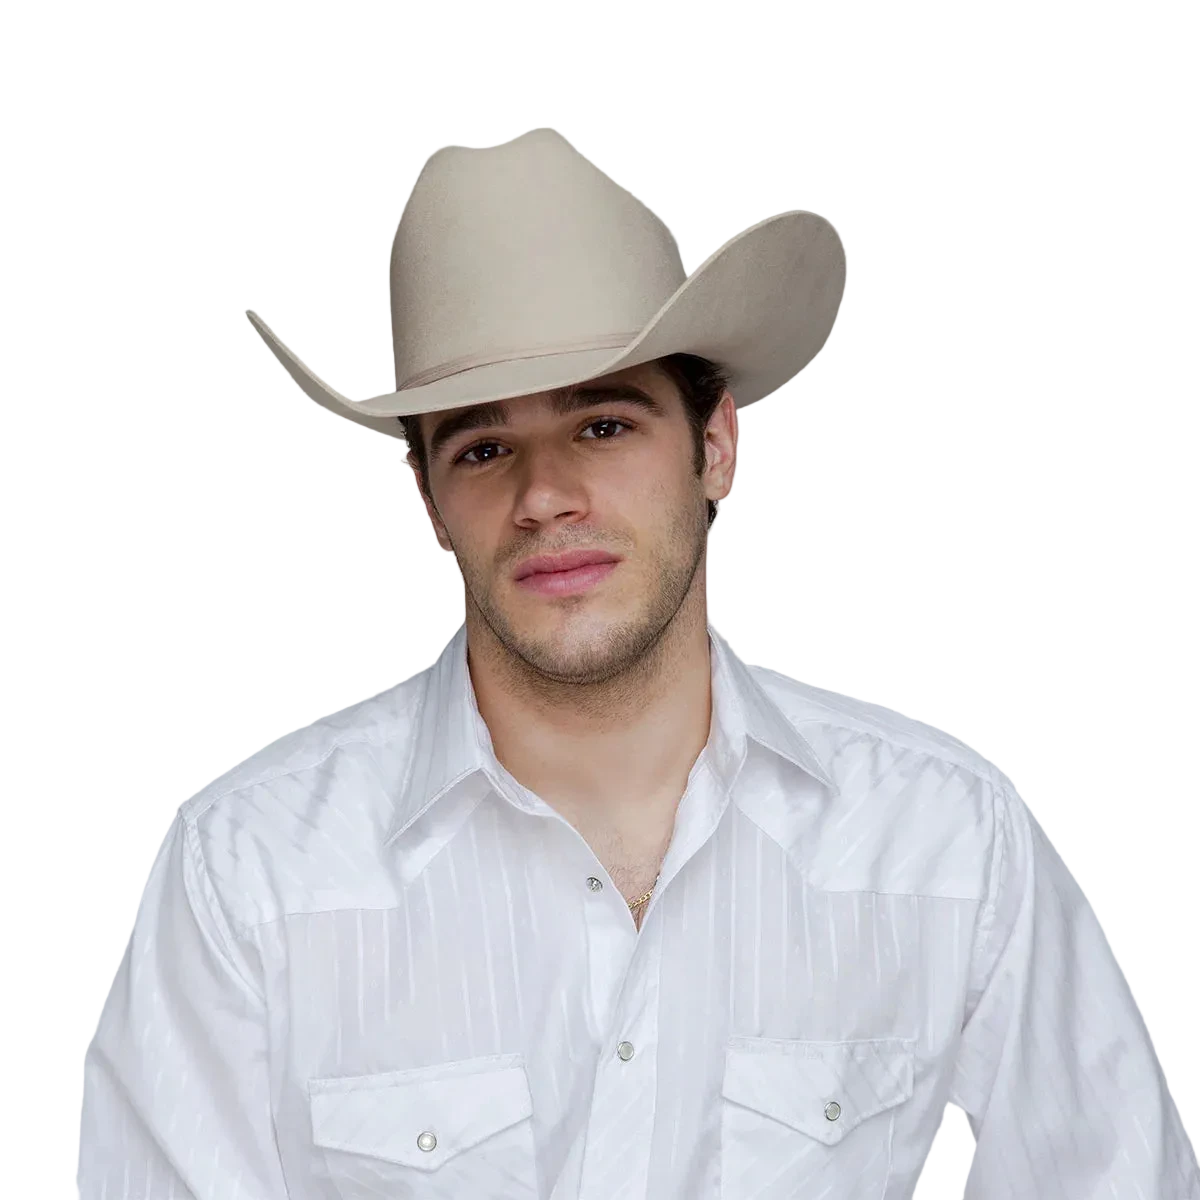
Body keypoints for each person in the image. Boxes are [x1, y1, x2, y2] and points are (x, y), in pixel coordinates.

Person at [76, 128, 1199, 1199]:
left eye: (603, 425)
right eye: (482, 446)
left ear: (715, 447)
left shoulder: (945, 837)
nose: (545, 495)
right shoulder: (252, 872)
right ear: (427, 498)